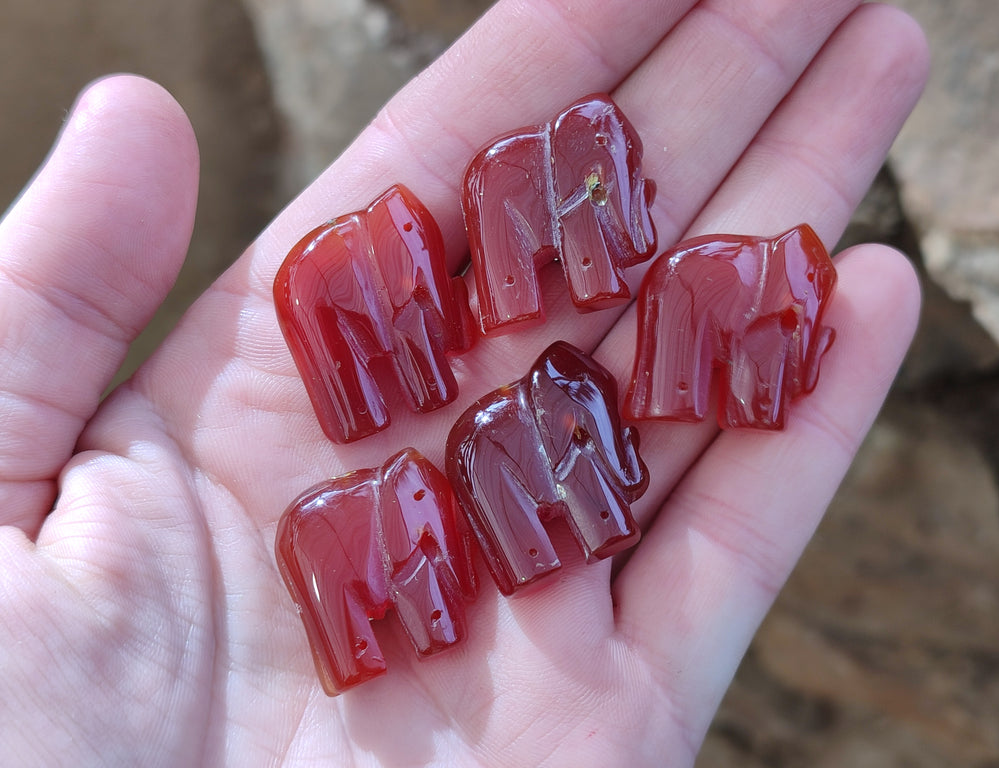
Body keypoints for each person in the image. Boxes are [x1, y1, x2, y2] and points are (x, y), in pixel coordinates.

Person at [0, 0, 928, 764]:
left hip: (515, 400)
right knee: (440, 424)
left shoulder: (683, 286)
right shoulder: (395, 455)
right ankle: (380, 564)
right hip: (444, 403)